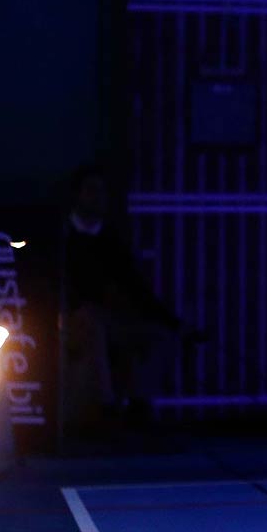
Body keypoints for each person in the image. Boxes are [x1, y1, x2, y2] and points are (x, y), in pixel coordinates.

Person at [60, 163, 192, 431]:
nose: (98, 198)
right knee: (91, 322)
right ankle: (105, 407)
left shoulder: (110, 240)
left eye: (102, 192)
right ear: (77, 195)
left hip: (106, 319)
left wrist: (173, 323)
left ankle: (135, 405)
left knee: (160, 338)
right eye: (91, 191)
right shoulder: (62, 237)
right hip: (70, 319)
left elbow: (136, 287)